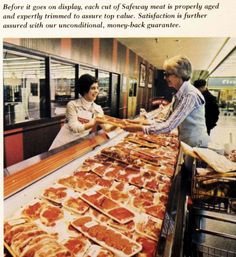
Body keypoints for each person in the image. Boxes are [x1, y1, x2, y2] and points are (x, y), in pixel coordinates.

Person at [123, 55, 210, 148]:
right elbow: (164, 120)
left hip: (196, 144)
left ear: (179, 74)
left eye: (167, 74)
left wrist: (140, 128)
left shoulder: (190, 95)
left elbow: (169, 126)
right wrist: (138, 122)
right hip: (187, 141)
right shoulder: (179, 94)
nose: (165, 78)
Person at [49, 74, 103, 150]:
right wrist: (93, 123)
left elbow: (107, 127)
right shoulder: (72, 105)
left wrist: (121, 124)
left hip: (79, 143)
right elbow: (75, 127)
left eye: (97, 88)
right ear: (85, 90)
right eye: (93, 88)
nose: (97, 91)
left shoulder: (97, 109)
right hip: (62, 143)